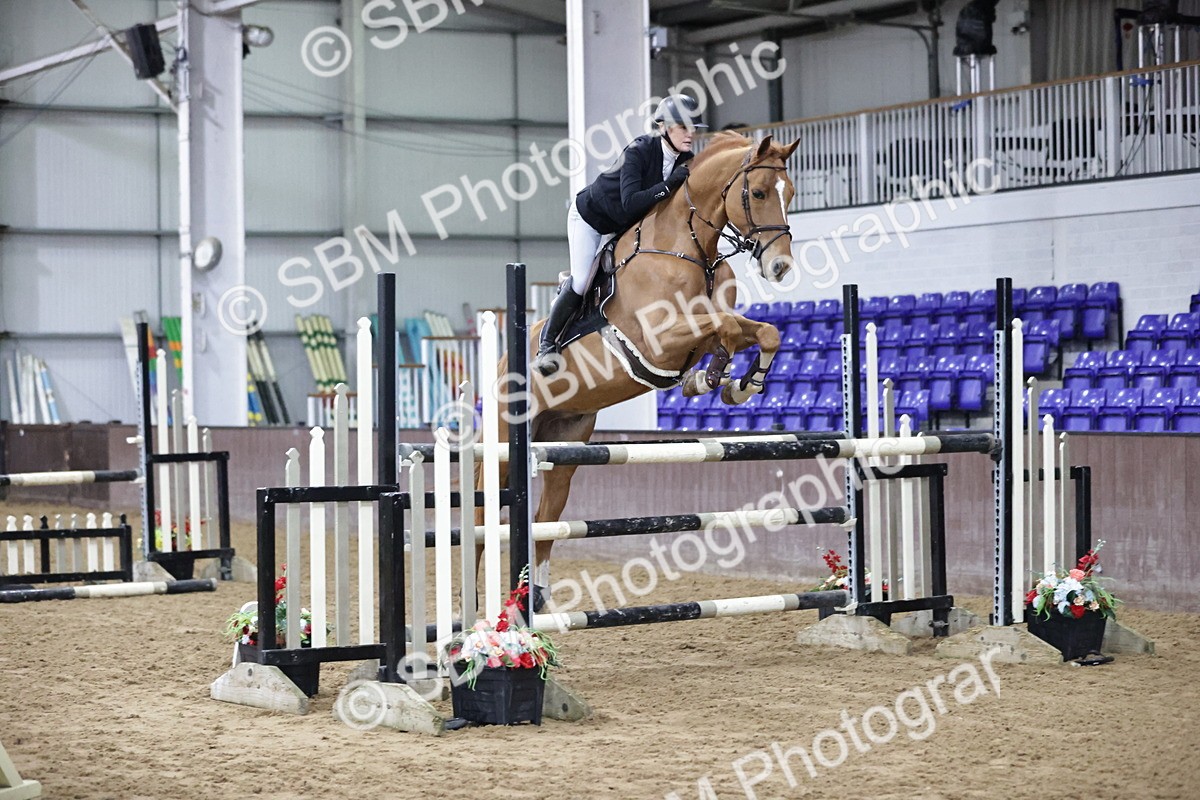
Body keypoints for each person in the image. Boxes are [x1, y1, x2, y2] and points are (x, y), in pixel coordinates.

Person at [532, 94, 707, 376]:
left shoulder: (686, 159)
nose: (691, 133)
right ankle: (547, 344)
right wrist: (667, 185)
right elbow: (631, 202)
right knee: (580, 282)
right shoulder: (639, 150)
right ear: (663, 127)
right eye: (683, 127)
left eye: (693, 127)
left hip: (624, 225)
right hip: (591, 219)